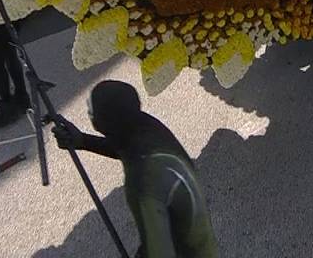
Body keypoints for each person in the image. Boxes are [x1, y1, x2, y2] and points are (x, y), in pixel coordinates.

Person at [53, 80, 218, 258]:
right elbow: (124, 145)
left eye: (91, 110)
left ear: (102, 122)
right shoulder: (144, 125)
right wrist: (84, 141)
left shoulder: (142, 180)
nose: (88, 110)